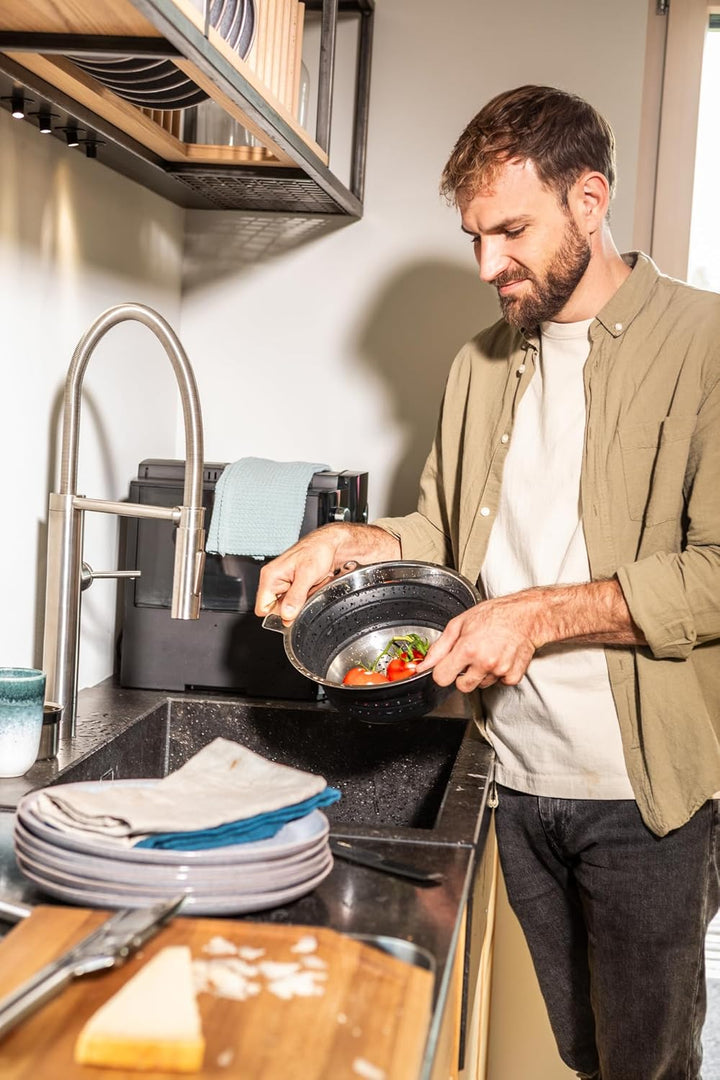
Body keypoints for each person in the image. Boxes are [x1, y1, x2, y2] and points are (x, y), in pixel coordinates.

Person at [255, 85, 720, 1079]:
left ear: (589, 201)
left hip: (645, 800)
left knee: (648, 1066)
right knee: (585, 1054)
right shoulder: (480, 364)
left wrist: (543, 614)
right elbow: (448, 531)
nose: (486, 265)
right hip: (509, 777)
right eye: (472, 235)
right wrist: (352, 541)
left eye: (511, 230)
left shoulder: (707, 344)